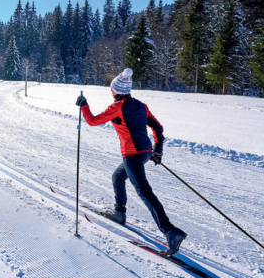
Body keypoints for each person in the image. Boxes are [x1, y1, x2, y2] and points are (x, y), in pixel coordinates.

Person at [75, 68, 187, 257]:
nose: (111, 92)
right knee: (118, 177)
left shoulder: (118, 107)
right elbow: (157, 127)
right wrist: (157, 150)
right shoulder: (141, 105)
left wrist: (84, 105)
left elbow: (93, 121)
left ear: (116, 91)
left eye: (112, 90)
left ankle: (170, 231)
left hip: (133, 154)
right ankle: (119, 213)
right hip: (145, 152)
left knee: (144, 193)